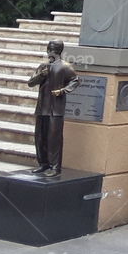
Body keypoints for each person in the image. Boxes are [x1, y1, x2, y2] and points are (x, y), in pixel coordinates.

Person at [27, 40, 80, 178]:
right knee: (40, 137)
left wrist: (63, 90)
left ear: (59, 51)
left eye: (54, 49)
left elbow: (76, 80)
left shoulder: (65, 67)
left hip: (55, 110)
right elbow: (30, 83)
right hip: (42, 108)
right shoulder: (43, 66)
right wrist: (41, 75)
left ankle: (55, 167)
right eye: (49, 49)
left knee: (54, 139)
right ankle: (43, 163)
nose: (50, 52)